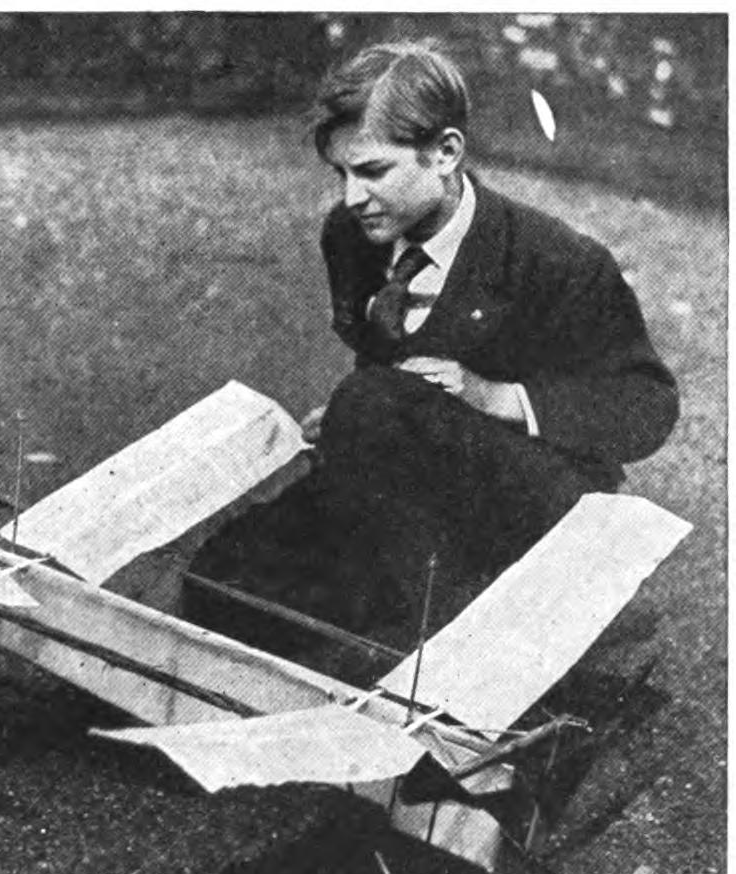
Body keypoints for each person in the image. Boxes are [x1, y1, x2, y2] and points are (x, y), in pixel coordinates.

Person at [189, 38, 678, 649]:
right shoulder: (353, 235)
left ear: (445, 153)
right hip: (407, 477)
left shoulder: (556, 259)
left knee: (369, 424)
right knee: (219, 581)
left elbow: (648, 405)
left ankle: (487, 624)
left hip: (531, 499)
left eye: (372, 172)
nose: (351, 198)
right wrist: (361, 421)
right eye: (341, 174)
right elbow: (387, 367)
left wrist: (499, 397)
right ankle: (410, 616)